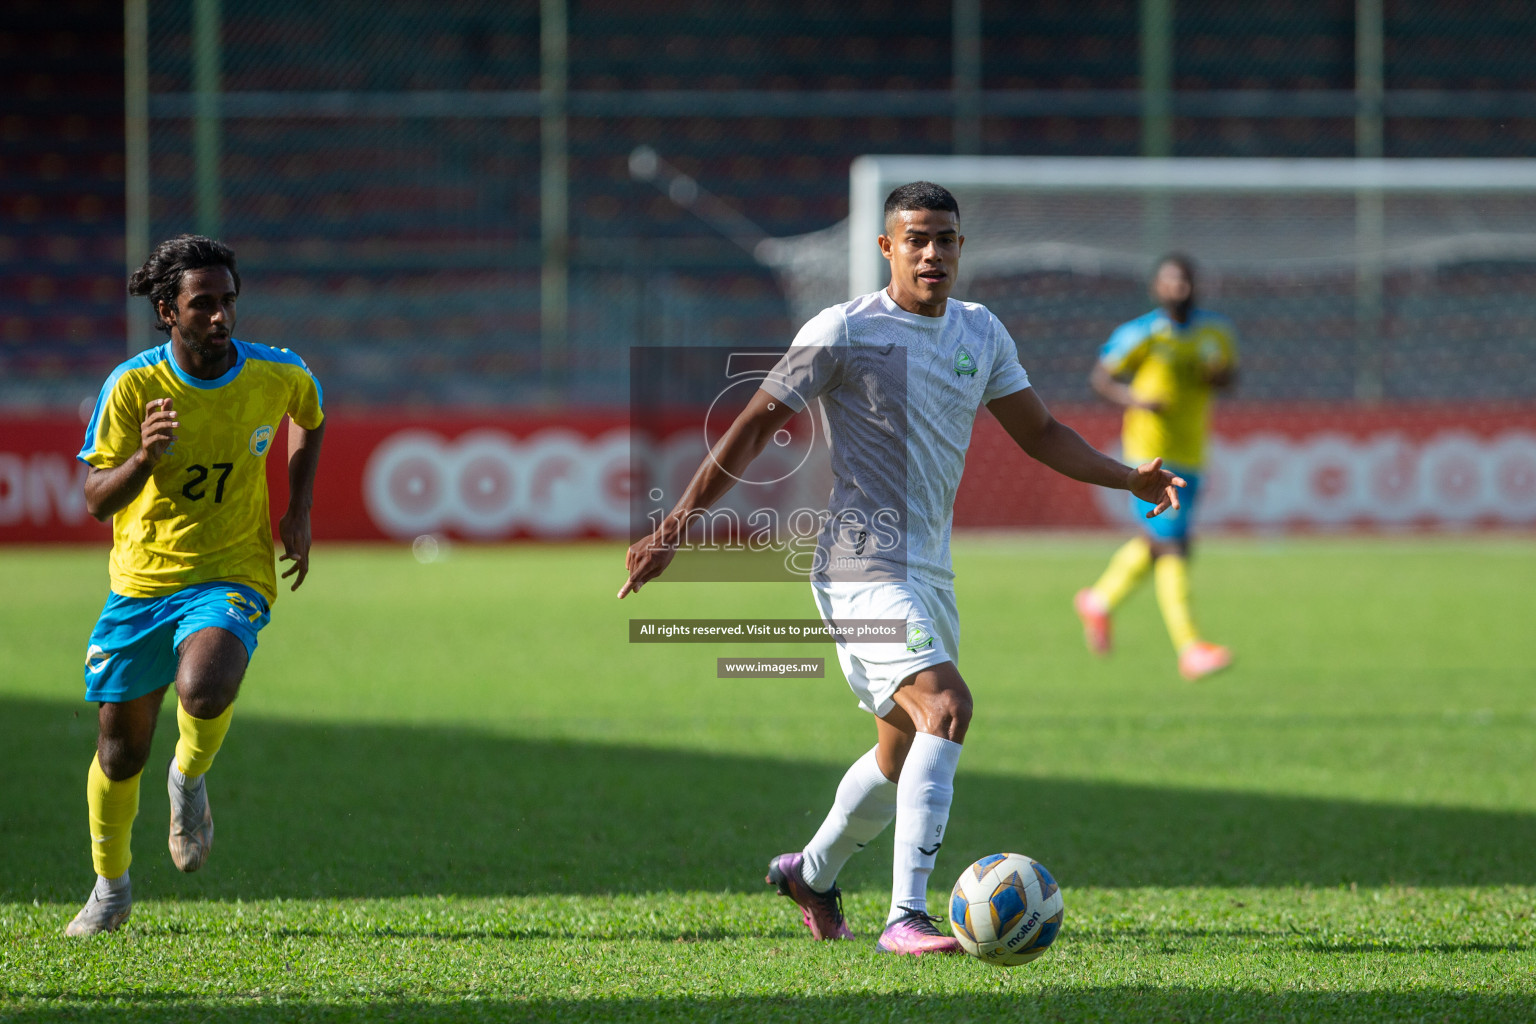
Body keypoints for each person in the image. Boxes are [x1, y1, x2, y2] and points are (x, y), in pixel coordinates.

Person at [619, 182, 1185, 955]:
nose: (932, 253)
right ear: (887, 247)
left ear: (961, 250)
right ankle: (906, 917)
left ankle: (810, 874)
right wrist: (677, 525)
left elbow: (1042, 432)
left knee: (898, 754)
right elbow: (754, 422)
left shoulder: (981, 333)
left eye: (945, 240)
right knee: (946, 708)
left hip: (930, 571)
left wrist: (1129, 476)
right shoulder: (845, 329)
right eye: (915, 239)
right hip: (859, 565)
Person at [65, 235, 326, 936]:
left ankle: (188, 780)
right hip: (141, 585)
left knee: (206, 686)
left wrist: (297, 508)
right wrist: (146, 458)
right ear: (166, 310)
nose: (220, 317)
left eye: (227, 301)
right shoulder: (132, 387)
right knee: (120, 754)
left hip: (231, 571)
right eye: (202, 304)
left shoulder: (274, 374)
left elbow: (311, 411)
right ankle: (111, 889)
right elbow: (95, 499)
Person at [1074, 253, 1236, 681]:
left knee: (1157, 542)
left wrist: (1216, 376)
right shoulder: (1140, 334)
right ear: (1156, 288)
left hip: (1193, 450)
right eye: (1169, 282)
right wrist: (1138, 401)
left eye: (1184, 281)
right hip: (1149, 455)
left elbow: (1229, 378)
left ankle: (1099, 600)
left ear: (1196, 285)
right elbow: (1101, 379)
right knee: (1174, 547)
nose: (1177, 289)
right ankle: (1190, 647)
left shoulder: (1215, 333)